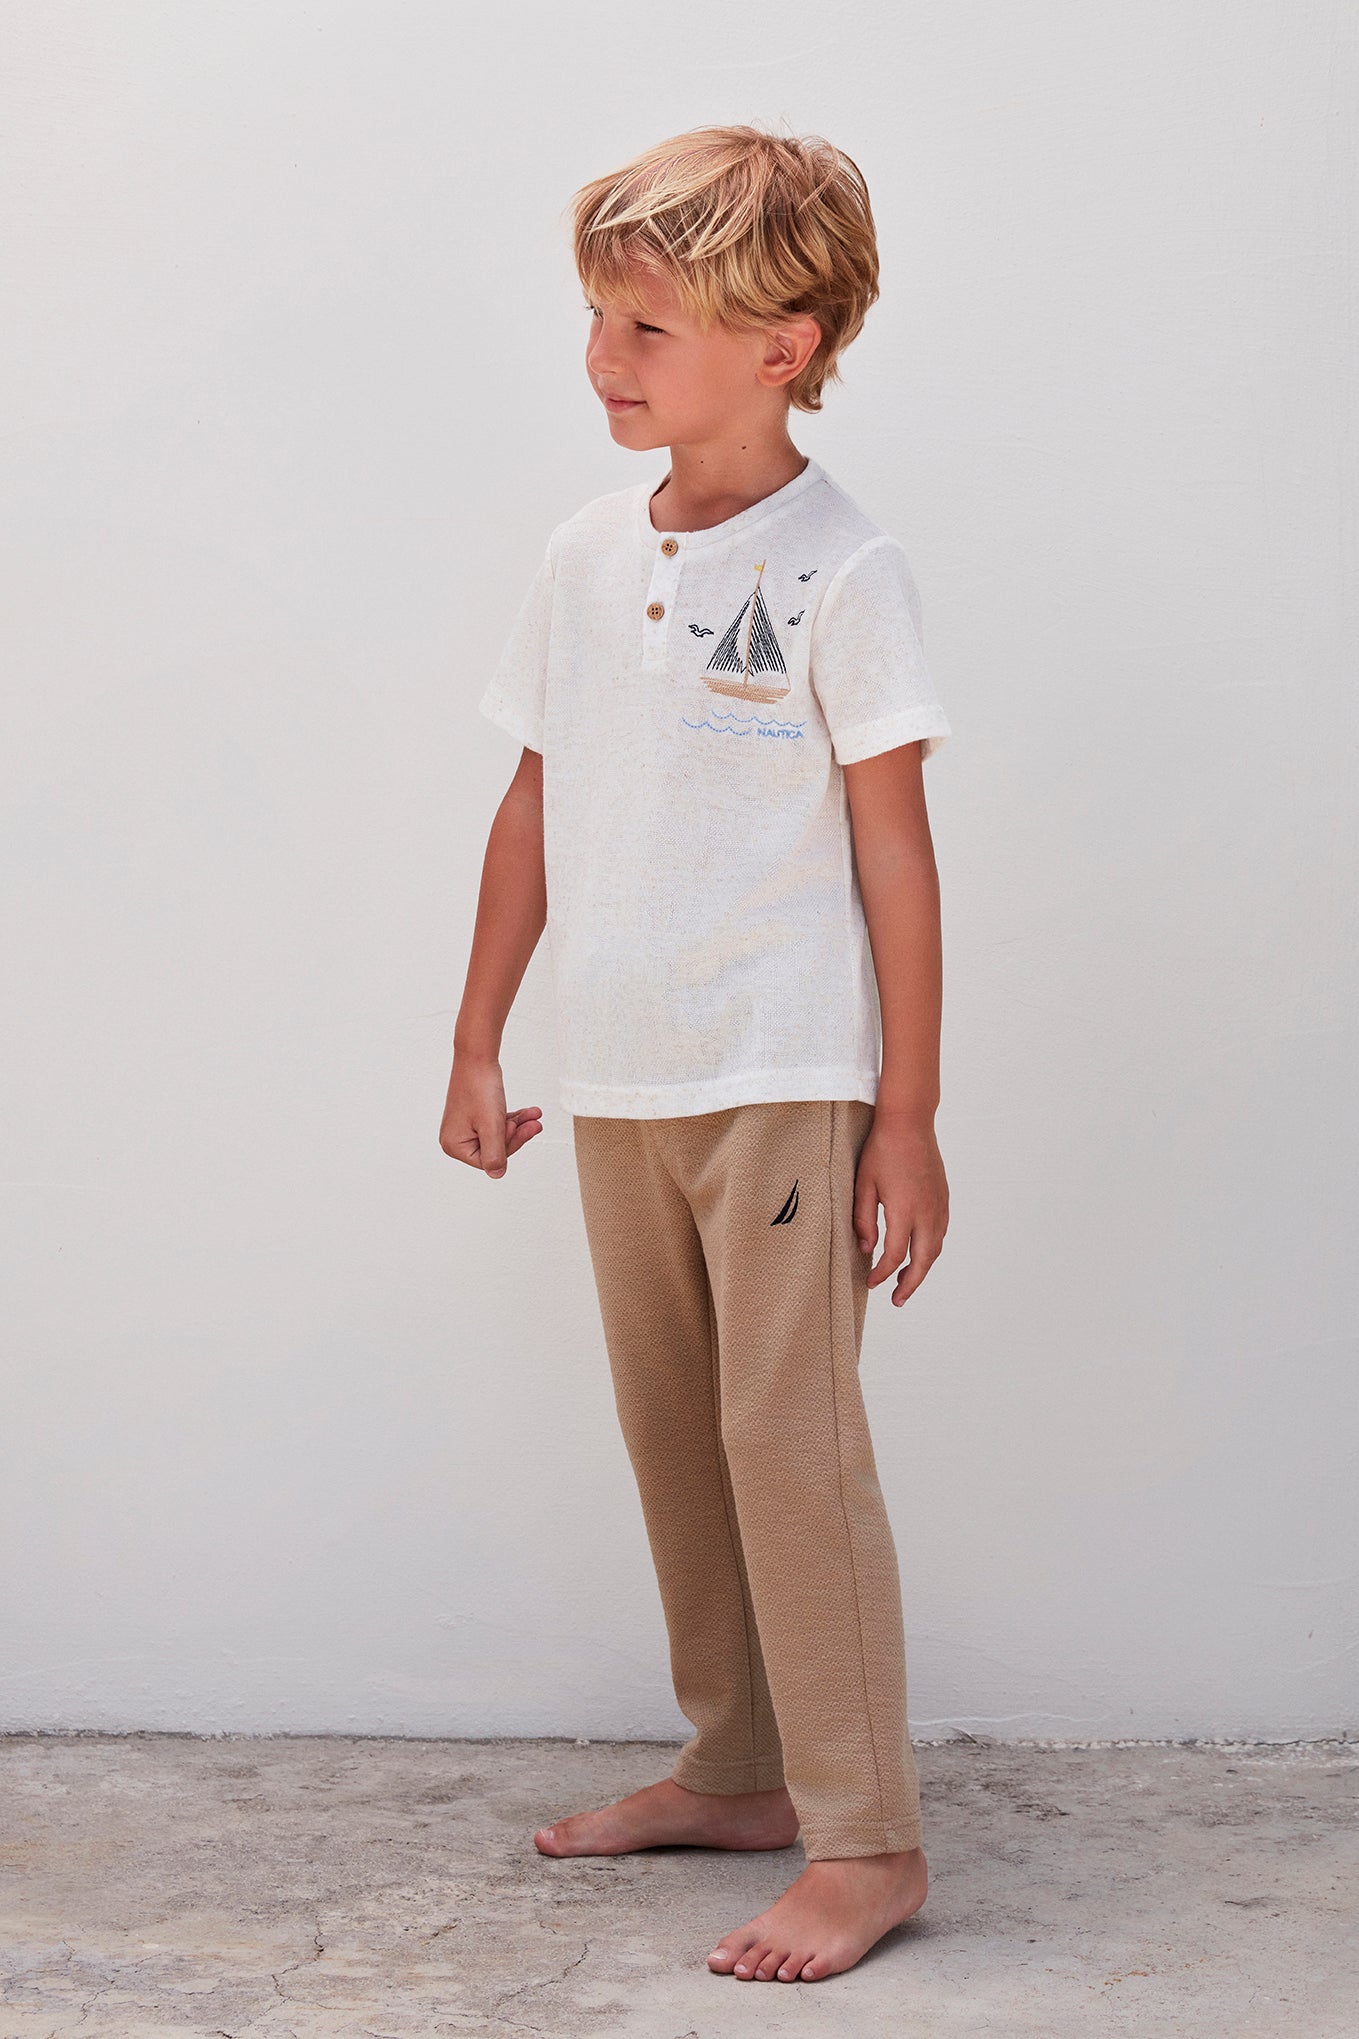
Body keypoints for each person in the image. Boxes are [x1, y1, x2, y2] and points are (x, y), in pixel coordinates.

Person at [439, 122, 952, 1986]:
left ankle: (866, 1835)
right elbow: (533, 800)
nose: (605, 358)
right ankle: (738, 1768)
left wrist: (910, 1114)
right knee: (680, 1440)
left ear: (784, 341)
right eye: (596, 316)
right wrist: (479, 1035)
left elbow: (896, 849)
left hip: (787, 1075)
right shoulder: (585, 554)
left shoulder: (846, 567)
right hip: (624, 1079)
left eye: (645, 325)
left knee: (787, 1443)